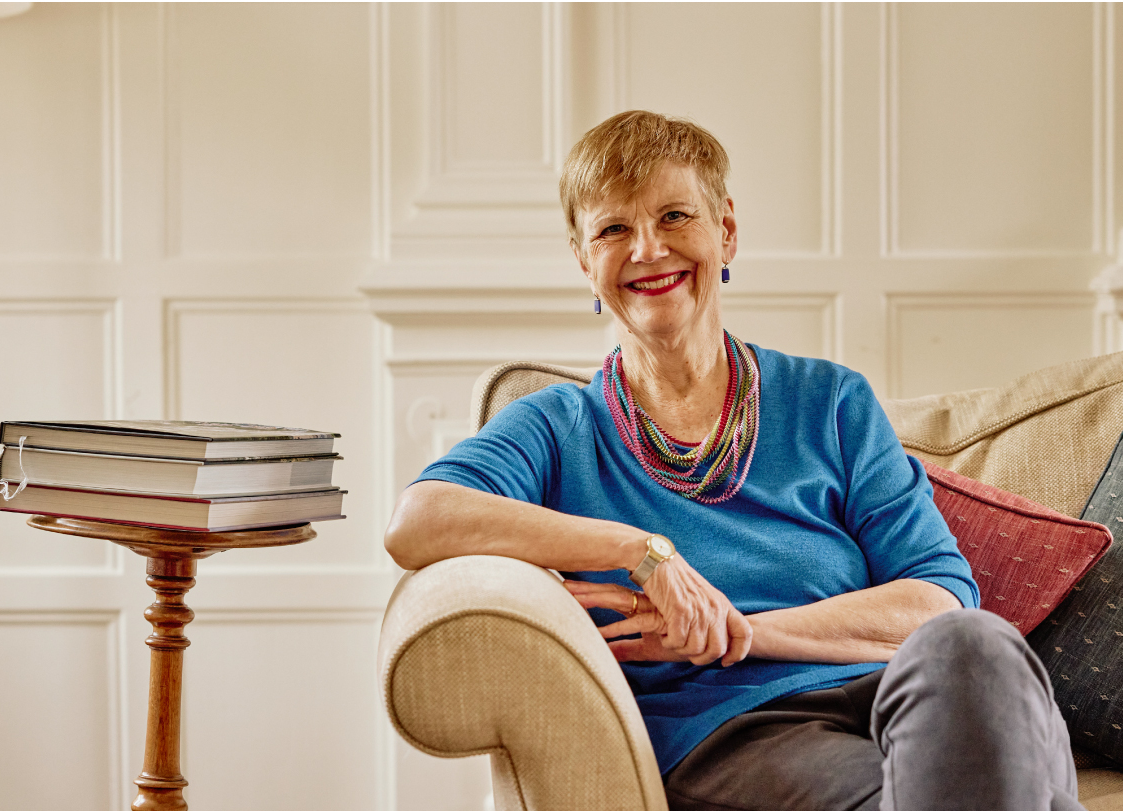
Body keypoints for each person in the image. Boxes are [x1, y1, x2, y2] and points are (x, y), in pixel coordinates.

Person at [384, 110, 1082, 811]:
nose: (648, 249)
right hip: (741, 733)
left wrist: (741, 631)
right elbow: (417, 519)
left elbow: (939, 598)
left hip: (910, 703)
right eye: (613, 229)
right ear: (584, 263)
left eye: (675, 215)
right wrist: (640, 549)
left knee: (974, 647)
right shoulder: (556, 427)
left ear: (726, 232)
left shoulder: (830, 401)